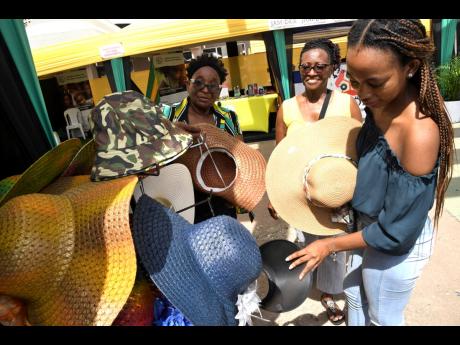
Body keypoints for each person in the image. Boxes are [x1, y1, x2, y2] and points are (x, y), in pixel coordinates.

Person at [285, 19, 454, 326]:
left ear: (411, 67)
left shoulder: (418, 133)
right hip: (365, 232)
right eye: (354, 81)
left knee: (382, 317)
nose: (362, 94)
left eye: (374, 82)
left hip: (392, 243)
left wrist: (328, 245)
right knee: (352, 294)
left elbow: (394, 232)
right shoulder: (379, 107)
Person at [267, 38, 362, 325]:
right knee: (308, 237)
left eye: (319, 66)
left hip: (336, 189)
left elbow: (361, 149)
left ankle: (329, 292)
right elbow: (279, 153)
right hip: (299, 191)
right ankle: (316, 280)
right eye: (305, 66)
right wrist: (274, 194)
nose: (311, 72)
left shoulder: (347, 104)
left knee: (333, 242)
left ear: (333, 67)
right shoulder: (287, 107)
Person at [163, 54, 243, 224]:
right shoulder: (168, 116)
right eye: (198, 82)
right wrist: (171, 133)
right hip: (180, 203)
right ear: (187, 84)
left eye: (213, 85)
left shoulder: (229, 118)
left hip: (221, 201)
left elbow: (241, 158)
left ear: (219, 90)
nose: (205, 90)